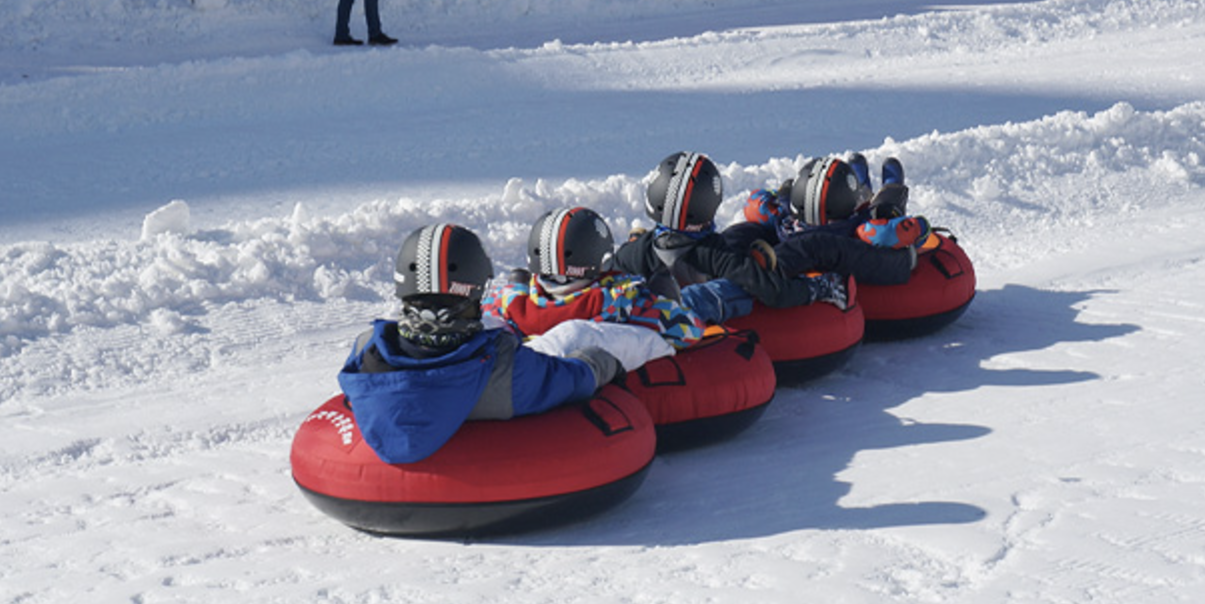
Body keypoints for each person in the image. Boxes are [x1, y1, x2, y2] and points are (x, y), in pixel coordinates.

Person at [338, 223, 621, 464]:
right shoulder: (503, 368)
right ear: (474, 290)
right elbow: (567, 380)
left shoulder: (366, 351)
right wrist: (599, 361)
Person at [610, 151, 849, 323]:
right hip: (686, 324)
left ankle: (645, 309)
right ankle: (669, 310)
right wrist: (816, 287)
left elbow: (603, 279)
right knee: (737, 288)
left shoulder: (636, 251)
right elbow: (775, 292)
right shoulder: (717, 254)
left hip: (635, 316)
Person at [488, 206, 706, 370]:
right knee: (664, 283)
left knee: (517, 279)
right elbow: (690, 329)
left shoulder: (507, 304)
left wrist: (517, 285)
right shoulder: (621, 303)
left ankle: (635, 241)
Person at [740, 153, 938, 272]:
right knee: (884, 206)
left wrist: (781, 195)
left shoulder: (786, 223)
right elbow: (906, 231)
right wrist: (919, 225)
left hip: (808, 226)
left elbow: (754, 203)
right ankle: (890, 186)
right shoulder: (860, 232)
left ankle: (862, 187)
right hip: (858, 228)